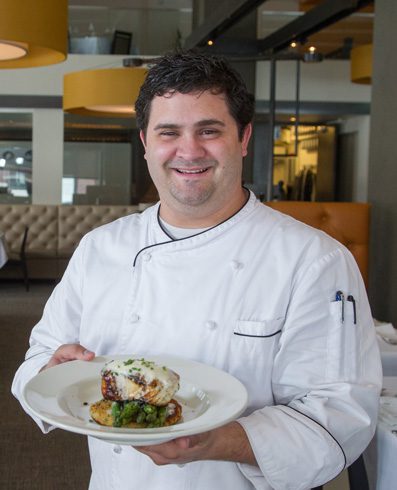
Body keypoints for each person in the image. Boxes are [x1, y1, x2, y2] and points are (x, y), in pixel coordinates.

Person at [12, 51, 381, 490]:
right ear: (146, 142)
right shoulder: (101, 248)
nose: (189, 151)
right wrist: (50, 372)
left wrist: (222, 441)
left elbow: (341, 416)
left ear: (243, 138)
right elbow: (37, 359)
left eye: (209, 130)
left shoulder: (314, 260)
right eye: (169, 132)